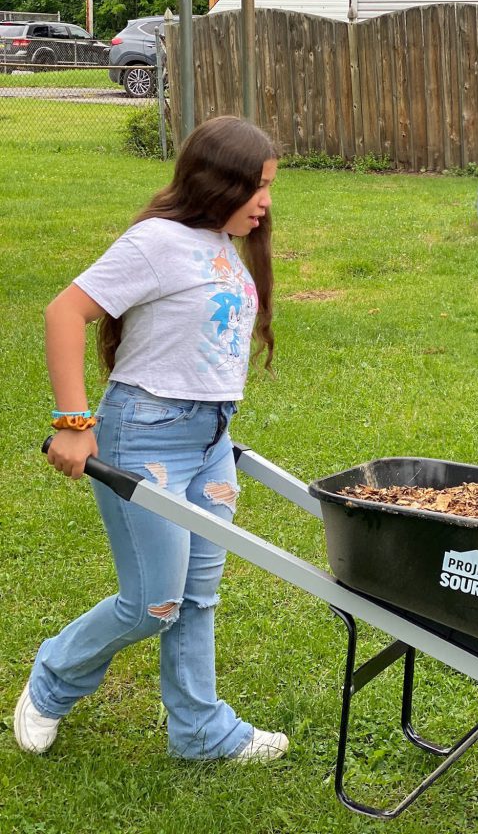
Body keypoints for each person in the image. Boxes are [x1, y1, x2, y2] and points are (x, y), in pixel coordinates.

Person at [15, 115, 289, 762]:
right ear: (219, 183)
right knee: (151, 604)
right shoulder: (158, 242)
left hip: (209, 440)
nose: (267, 203)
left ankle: (200, 731)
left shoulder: (222, 242)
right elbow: (66, 312)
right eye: (257, 188)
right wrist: (74, 425)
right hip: (145, 436)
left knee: (196, 598)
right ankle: (51, 680)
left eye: (270, 187)